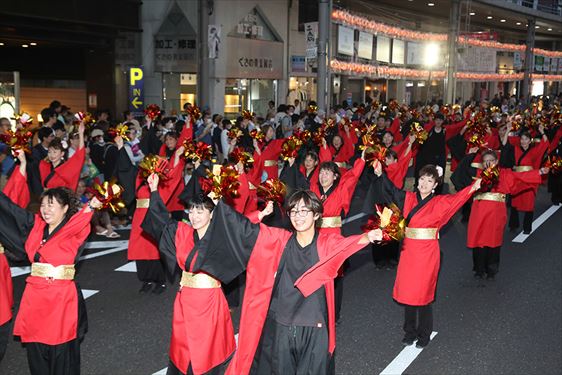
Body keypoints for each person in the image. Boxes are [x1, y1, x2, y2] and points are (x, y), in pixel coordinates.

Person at [192, 189, 381, 374]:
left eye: (304, 211)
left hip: (314, 327)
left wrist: (368, 236)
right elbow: (246, 229)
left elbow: (346, 245)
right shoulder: (280, 239)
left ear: (316, 215)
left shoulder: (326, 243)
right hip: (282, 325)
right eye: (294, 211)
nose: (298, 216)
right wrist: (220, 205)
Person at [141, 173, 272, 375]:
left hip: (210, 303)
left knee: (206, 355)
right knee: (182, 352)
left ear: (212, 214)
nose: (194, 216)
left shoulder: (220, 236)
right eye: (191, 211)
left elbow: (238, 228)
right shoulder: (182, 232)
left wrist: (259, 215)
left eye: (200, 211)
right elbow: (161, 222)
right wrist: (154, 191)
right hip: (185, 302)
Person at [0, 151, 102, 374]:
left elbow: (82, 219)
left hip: (60, 300)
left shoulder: (73, 229)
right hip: (35, 297)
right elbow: (10, 210)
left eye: (51, 205)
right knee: (36, 349)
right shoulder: (36, 225)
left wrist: (93, 206)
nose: (45, 210)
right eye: (44, 205)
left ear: (65, 209)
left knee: (61, 351)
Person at [366, 162, 481, 348]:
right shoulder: (408, 197)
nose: (424, 183)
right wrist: (380, 175)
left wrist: (472, 188)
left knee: (424, 295)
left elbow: (457, 199)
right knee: (408, 293)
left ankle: (424, 334)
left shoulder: (440, 202)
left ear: (436, 185)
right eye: (421, 179)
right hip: (409, 251)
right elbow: (391, 191)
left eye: (430, 180)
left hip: (428, 254)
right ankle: (409, 332)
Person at [451, 149, 548, 280]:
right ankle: (479, 269)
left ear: (496, 161)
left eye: (491, 160)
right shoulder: (477, 174)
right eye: (485, 161)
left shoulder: (504, 174)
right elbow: (458, 175)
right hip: (478, 211)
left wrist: (539, 172)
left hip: (496, 212)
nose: (488, 163)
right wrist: (470, 155)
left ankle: (491, 270)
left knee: (493, 239)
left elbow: (520, 177)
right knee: (478, 239)